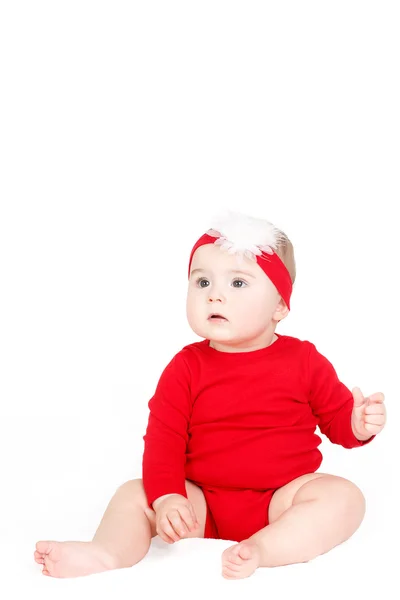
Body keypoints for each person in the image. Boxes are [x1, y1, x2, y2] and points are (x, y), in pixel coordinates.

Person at [34, 210, 387, 579]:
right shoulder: (186, 367)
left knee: (344, 497)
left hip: (281, 500)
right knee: (133, 495)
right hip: (200, 502)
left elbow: (337, 422)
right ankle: (106, 553)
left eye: (237, 284)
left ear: (280, 306)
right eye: (202, 282)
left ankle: (265, 548)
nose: (214, 295)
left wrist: (357, 423)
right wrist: (169, 496)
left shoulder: (305, 360)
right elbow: (163, 440)